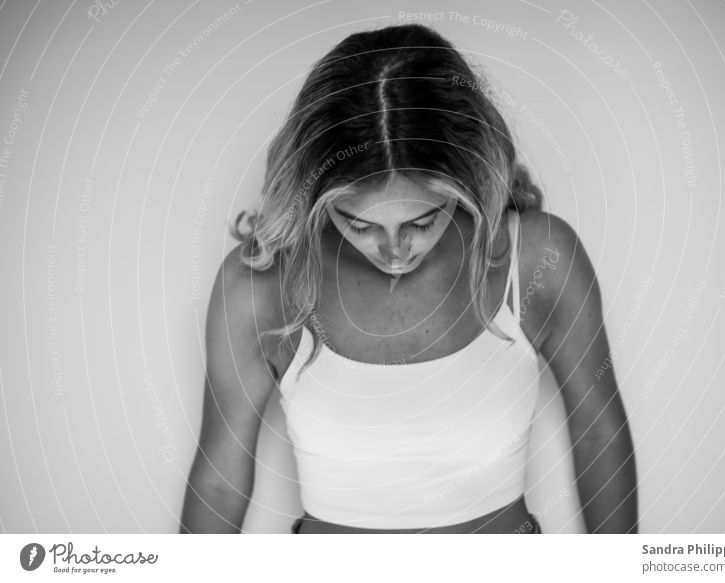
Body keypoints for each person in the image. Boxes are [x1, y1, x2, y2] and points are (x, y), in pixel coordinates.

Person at [179, 23, 637, 534]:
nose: (395, 253)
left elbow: (598, 433)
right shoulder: (260, 287)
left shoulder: (536, 259)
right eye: (359, 224)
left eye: (422, 222)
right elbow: (220, 480)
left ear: (468, 181)